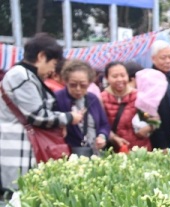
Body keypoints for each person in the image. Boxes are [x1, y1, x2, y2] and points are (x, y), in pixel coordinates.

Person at [0, 33, 83, 194]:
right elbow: (37, 116)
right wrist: (69, 117)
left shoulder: (26, 75)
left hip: (23, 149)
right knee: (17, 199)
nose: (53, 70)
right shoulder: (21, 75)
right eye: (53, 63)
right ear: (41, 56)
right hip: (18, 151)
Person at [55, 59, 110, 153]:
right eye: (73, 85)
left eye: (83, 85)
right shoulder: (58, 98)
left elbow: (104, 124)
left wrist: (102, 136)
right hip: (66, 153)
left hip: (93, 152)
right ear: (66, 81)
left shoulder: (93, 99)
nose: (78, 89)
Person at [101, 62, 152, 151]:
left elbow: (149, 117)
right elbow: (100, 124)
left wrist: (149, 127)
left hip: (140, 150)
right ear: (107, 78)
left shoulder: (139, 96)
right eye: (115, 76)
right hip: (115, 151)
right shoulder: (102, 98)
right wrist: (113, 137)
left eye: (123, 75)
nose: (120, 79)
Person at [148, 40, 170, 149]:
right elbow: (142, 112)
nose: (168, 61)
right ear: (153, 59)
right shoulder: (149, 78)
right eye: (163, 58)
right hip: (158, 136)